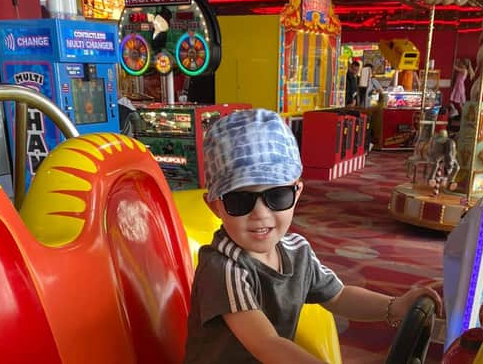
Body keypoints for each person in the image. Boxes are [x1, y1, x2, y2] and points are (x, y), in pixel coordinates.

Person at [184, 108, 442, 364]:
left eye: (277, 196)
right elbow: (266, 344)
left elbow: (340, 297)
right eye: (239, 200)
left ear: (296, 193)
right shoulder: (223, 268)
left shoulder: (298, 252)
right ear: (214, 206)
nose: (260, 214)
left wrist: (395, 306)